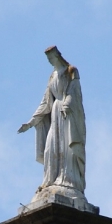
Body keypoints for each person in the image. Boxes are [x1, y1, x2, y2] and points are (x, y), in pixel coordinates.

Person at [18, 46, 86, 195]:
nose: (50, 61)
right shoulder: (52, 76)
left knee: (66, 148)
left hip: (67, 114)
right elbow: (45, 102)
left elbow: (74, 91)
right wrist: (30, 123)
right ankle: (49, 180)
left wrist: (67, 103)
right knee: (50, 149)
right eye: (48, 59)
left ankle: (68, 180)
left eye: (51, 58)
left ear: (57, 56)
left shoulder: (71, 70)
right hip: (55, 113)